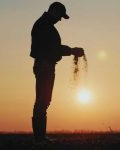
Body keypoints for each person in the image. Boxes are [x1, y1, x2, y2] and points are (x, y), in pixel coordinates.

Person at [30, 2, 84, 143]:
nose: (60, 19)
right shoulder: (43, 26)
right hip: (44, 66)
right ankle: (39, 139)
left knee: (44, 102)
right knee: (42, 102)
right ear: (53, 11)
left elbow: (53, 48)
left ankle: (40, 138)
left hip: (46, 65)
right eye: (60, 16)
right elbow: (53, 48)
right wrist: (71, 50)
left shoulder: (45, 25)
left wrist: (70, 50)